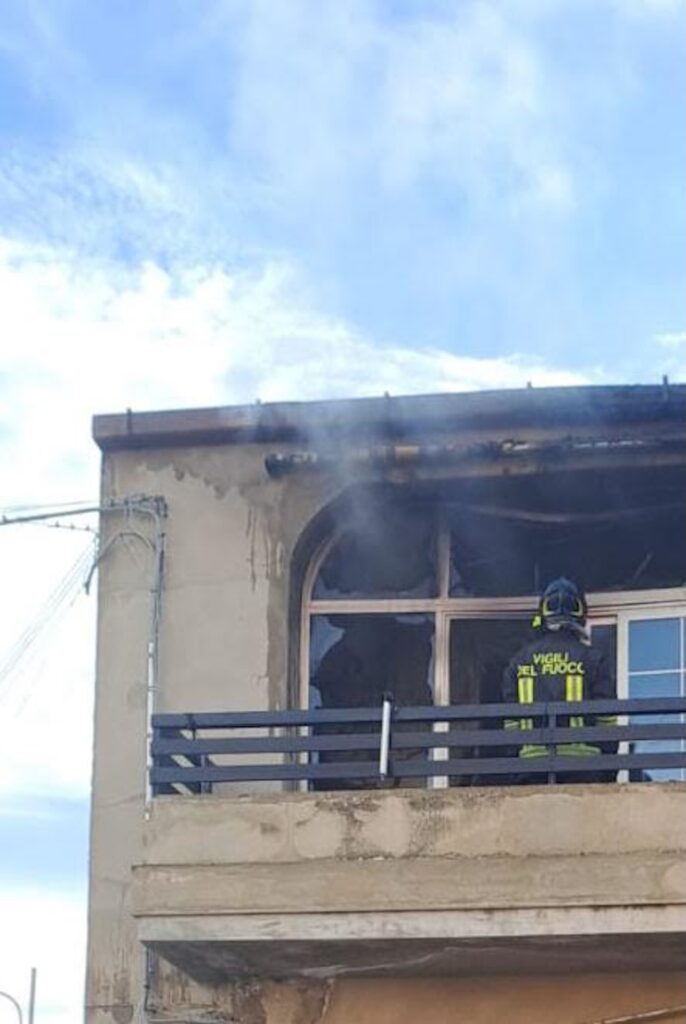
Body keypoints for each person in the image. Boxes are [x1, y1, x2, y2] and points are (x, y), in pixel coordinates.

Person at [501, 577, 617, 784]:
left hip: (531, 766)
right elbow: (607, 722)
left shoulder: (519, 660)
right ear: (580, 614)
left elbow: (511, 725)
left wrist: (515, 769)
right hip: (584, 767)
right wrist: (607, 773)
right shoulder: (593, 657)